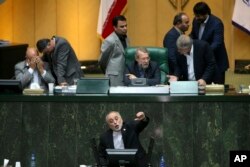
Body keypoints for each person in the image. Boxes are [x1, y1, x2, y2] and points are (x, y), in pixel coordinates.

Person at [190, 1, 229, 84]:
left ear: (206, 14)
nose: (196, 18)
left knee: (216, 90)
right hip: (203, 63)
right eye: (195, 15)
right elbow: (193, 35)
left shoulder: (217, 23)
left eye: (198, 16)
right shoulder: (195, 21)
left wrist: (203, 52)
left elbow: (217, 43)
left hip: (217, 62)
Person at [98, 15, 130, 86]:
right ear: (115, 28)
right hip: (113, 77)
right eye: (122, 27)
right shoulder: (109, 41)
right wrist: (109, 72)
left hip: (125, 75)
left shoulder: (127, 38)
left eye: (126, 26)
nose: (125, 28)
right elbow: (102, 61)